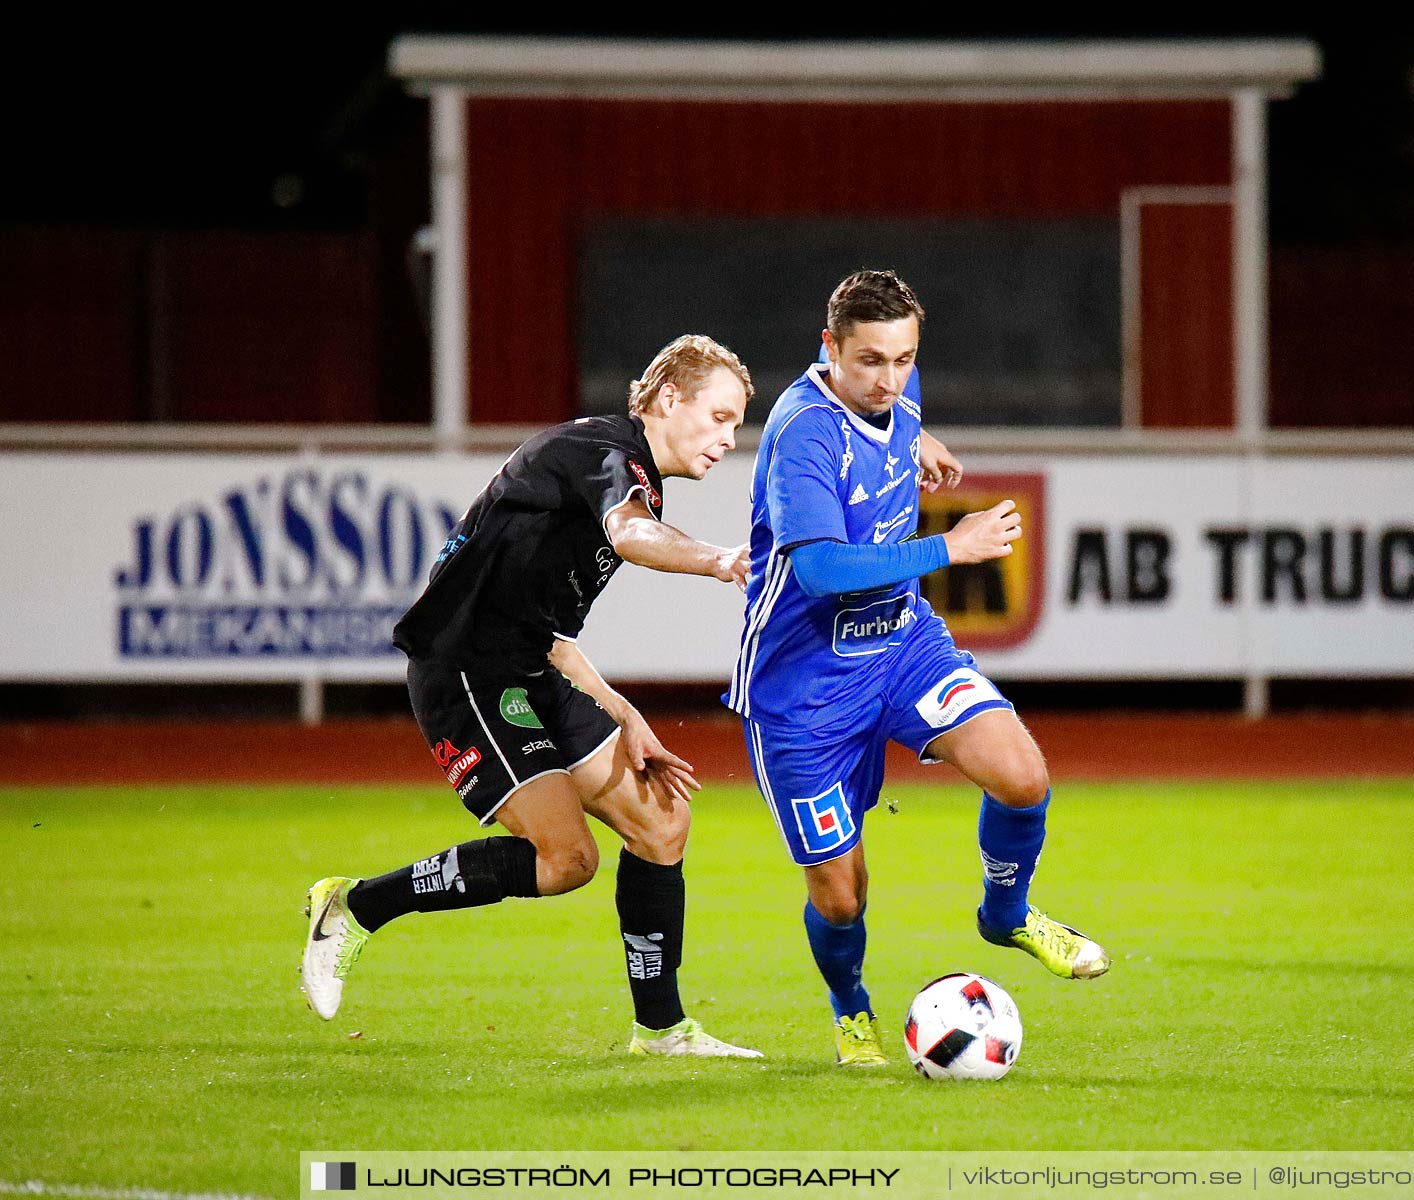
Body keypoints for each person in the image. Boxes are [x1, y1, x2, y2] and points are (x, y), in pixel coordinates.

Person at [301, 334, 762, 1059]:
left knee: (663, 822)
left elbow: (549, 631)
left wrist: (626, 714)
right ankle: (356, 906)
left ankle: (663, 1030)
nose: (730, 440)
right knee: (565, 859)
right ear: (671, 398)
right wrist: (719, 560)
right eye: (722, 417)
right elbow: (633, 533)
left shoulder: (622, 469)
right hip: (466, 673)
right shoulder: (606, 454)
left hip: (525, 668)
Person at [726, 270, 1110, 1067]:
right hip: (804, 691)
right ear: (828, 348)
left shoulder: (895, 386)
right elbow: (822, 571)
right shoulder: (803, 435)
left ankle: (1006, 914)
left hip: (902, 646)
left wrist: (917, 435)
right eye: (869, 362)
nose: (890, 379)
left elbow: (896, 409)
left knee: (1022, 775)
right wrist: (951, 545)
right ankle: (851, 1008)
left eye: (904, 361)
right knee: (842, 895)